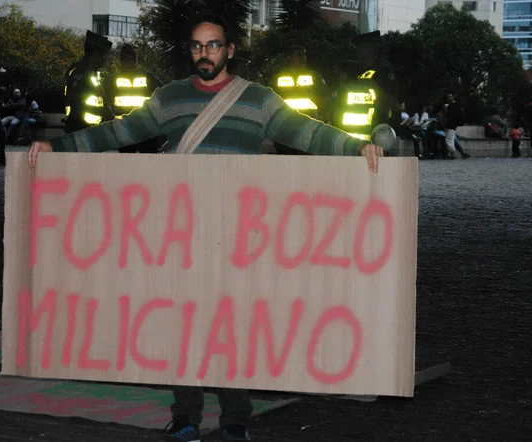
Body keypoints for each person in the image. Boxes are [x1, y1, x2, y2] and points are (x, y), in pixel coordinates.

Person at [28, 14, 384, 442]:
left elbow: (307, 133)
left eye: (213, 45)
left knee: (230, 327)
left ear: (229, 50)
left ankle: (236, 420)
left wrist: (355, 146)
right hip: (182, 236)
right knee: (184, 325)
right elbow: (117, 132)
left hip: (238, 238)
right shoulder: (169, 99)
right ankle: (186, 418)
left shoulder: (258, 101)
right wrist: (56, 146)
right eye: (197, 46)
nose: (204, 54)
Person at [104, 43, 165, 153]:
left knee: (127, 162)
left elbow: (107, 103)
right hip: (143, 126)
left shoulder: (114, 79)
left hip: (127, 127)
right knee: (147, 160)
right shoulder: (147, 77)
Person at [271, 44, 327, 155]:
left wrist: (323, 117)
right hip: (286, 126)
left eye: (304, 55)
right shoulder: (278, 78)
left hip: (308, 124)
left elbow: (323, 97)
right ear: (289, 58)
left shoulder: (315, 76)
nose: (302, 58)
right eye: (299, 55)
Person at [63, 30, 112, 134]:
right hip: (80, 128)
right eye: (103, 56)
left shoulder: (92, 72)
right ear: (94, 55)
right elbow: (76, 100)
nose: (105, 59)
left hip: (91, 127)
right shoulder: (80, 72)